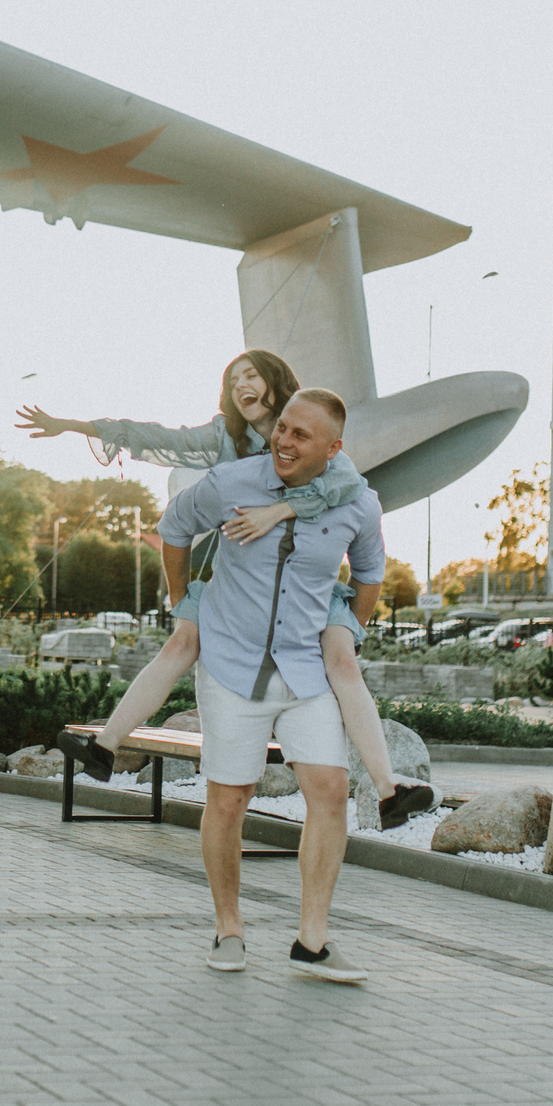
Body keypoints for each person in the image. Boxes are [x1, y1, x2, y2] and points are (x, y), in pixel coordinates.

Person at [17, 351, 433, 830]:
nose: (241, 384)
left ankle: (388, 788)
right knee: (182, 642)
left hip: (314, 587)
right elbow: (153, 436)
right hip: (243, 581)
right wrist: (71, 425)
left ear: (275, 385)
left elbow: (344, 492)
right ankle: (105, 748)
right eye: (233, 379)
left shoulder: (313, 432)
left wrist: (279, 513)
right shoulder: (223, 439)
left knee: (341, 658)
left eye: (251, 374)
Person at [156, 387, 381, 979]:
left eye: (300, 435)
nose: (283, 439)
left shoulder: (358, 503)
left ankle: (313, 940)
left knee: (330, 791)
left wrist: (348, 630)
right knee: (230, 799)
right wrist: (183, 605)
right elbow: (174, 527)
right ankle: (229, 928)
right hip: (231, 665)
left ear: (333, 449)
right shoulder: (233, 481)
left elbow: (370, 573)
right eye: (282, 427)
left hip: (306, 670)